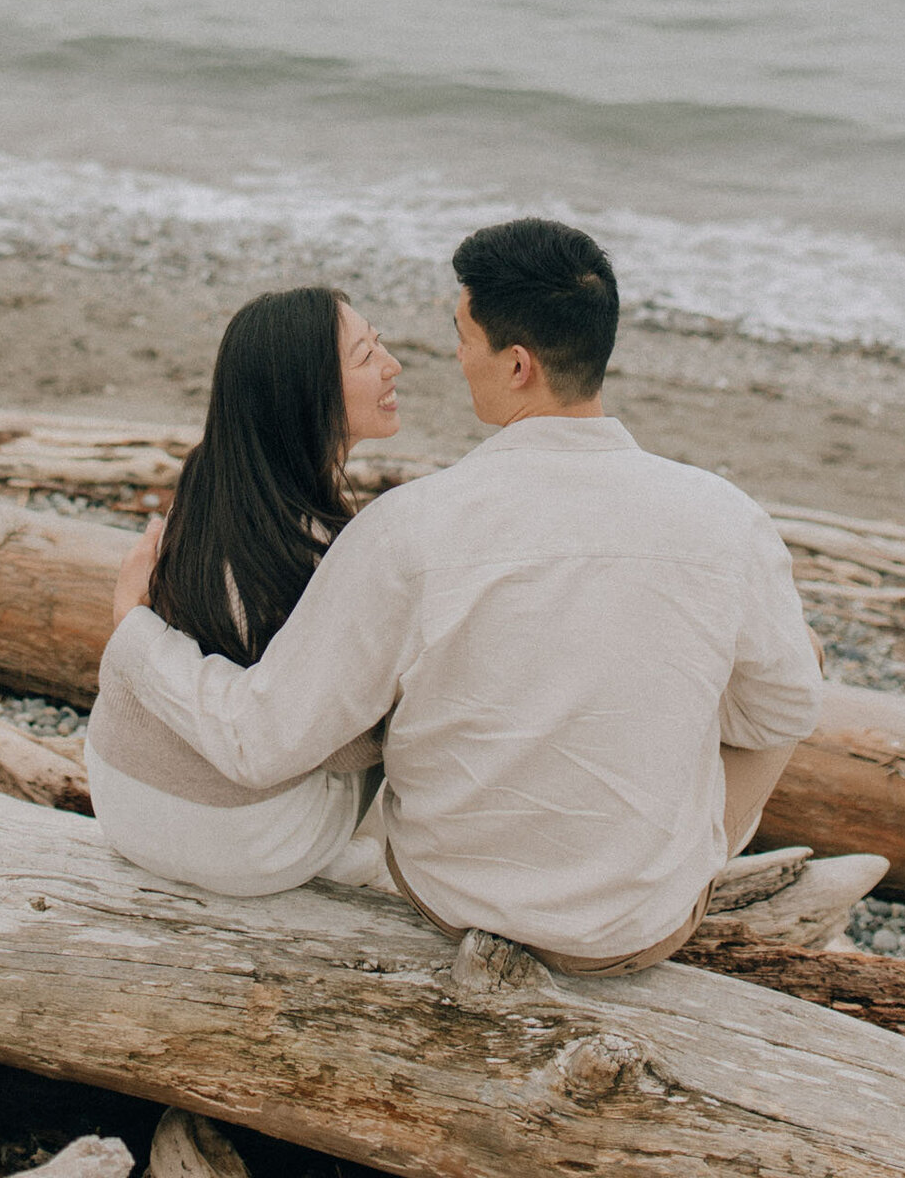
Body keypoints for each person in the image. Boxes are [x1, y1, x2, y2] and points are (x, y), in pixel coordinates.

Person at [104, 219, 824, 973]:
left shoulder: (404, 529)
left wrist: (136, 632)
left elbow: (263, 739)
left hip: (452, 902)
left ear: (516, 366)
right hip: (637, 932)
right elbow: (782, 711)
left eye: (461, 337)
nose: (447, 359)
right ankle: (658, 858)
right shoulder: (727, 517)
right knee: (787, 665)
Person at [87, 286, 402, 895]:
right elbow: (336, 744)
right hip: (246, 840)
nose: (391, 365)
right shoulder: (323, 551)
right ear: (308, 395)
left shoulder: (209, 482)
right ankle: (372, 865)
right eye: (365, 357)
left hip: (120, 795)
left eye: (379, 342)